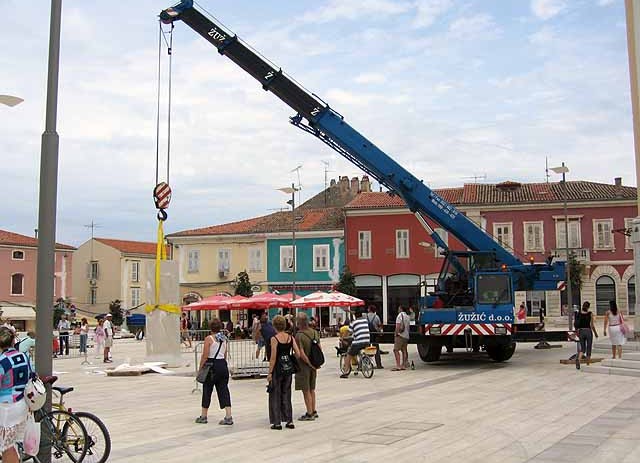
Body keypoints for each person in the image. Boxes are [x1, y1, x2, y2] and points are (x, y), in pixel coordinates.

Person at [267, 315, 304, 430]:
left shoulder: (274, 339)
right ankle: (289, 420)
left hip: (278, 369)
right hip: (288, 368)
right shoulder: (290, 337)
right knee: (287, 394)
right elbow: (298, 354)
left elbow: (273, 357)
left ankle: (277, 422)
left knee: (275, 394)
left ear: (274, 326)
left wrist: (269, 372)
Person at [0, 327, 30, 463]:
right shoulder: (24, 356)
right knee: (11, 444)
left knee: (7, 446)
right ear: (13, 341)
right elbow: (32, 375)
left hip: (7, 408)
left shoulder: (3, 362)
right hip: (22, 404)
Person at [195, 318, 233, 425]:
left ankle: (204, 416)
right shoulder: (224, 338)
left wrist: (200, 368)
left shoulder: (209, 339)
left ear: (210, 328)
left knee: (207, 390)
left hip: (211, 365)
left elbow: (205, 355)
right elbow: (225, 354)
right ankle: (228, 416)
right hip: (222, 365)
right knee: (224, 390)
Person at [294, 313, 319, 421]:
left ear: (298, 323)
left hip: (304, 366)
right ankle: (314, 410)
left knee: (306, 389)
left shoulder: (299, 335)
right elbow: (319, 348)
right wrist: (315, 364)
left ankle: (309, 413)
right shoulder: (314, 332)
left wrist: (308, 363)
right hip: (314, 364)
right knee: (312, 389)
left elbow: (301, 354)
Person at [340, 308, 370, 379]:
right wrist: (349, 311)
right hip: (367, 340)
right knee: (359, 350)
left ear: (355, 316)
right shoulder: (365, 320)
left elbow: (348, 332)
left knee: (349, 355)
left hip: (358, 342)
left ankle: (346, 372)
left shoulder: (353, 322)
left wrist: (342, 338)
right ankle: (363, 361)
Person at [574, 302, 598, 367]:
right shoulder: (590, 314)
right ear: (588, 307)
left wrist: (577, 332)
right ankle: (587, 363)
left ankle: (578, 359)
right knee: (589, 347)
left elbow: (576, 324)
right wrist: (595, 333)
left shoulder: (579, 313)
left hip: (581, 331)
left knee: (583, 348)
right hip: (588, 331)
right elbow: (592, 325)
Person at [393, 306, 410, 371]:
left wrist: (396, 334)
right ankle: (403, 365)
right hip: (406, 336)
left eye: (398, 308)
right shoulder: (407, 316)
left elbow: (398, 326)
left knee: (396, 350)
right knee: (404, 350)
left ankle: (398, 365)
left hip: (400, 335)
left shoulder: (399, 315)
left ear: (401, 309)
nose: (398, 310)